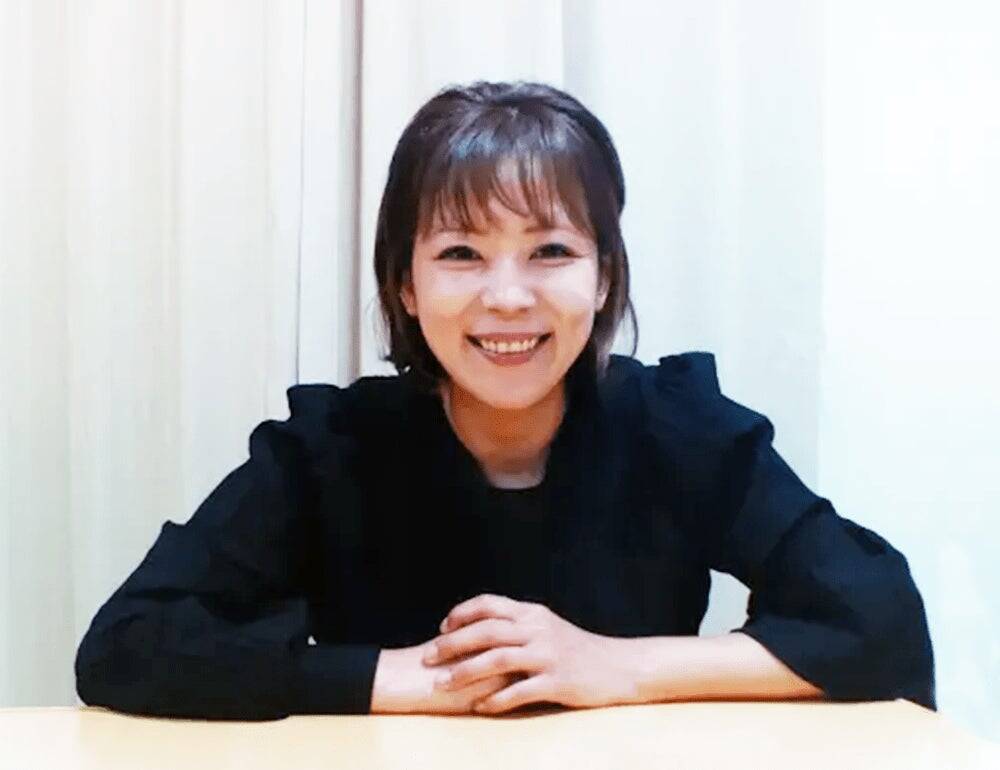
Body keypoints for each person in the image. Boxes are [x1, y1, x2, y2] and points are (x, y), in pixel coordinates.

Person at [75, 80, 935, 721]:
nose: (509, 297)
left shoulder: (678, 427)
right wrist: (397, 678)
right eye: (461, 254)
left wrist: (615, 667)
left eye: (551, 251)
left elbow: (878, 616)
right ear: (405, 286)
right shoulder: (330, 448)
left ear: (604, 279)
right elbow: (127, 643)